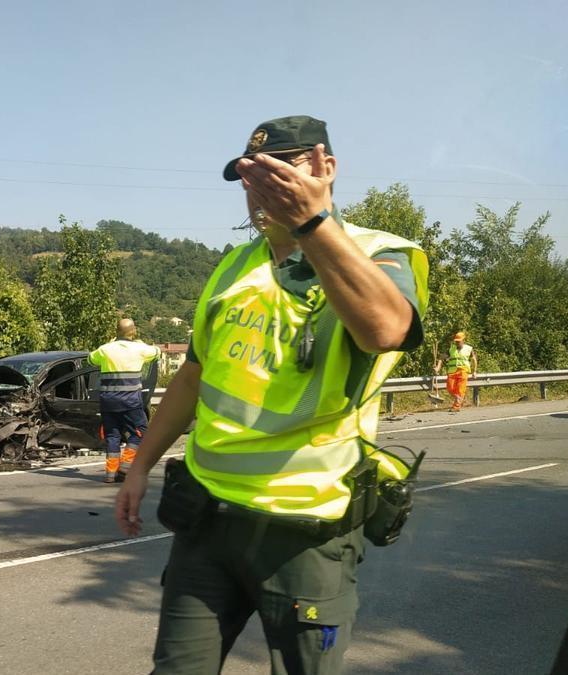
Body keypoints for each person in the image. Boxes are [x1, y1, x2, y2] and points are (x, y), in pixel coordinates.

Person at [114, 115, 429, 674]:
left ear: (327, 168)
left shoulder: (378, 254)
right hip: (207, 523)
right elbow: (193, 376)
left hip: (305, 533)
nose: (262, 188)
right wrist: (140, 465)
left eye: (282, 168)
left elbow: (384, 329)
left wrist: (313, 223)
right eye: (250, 177)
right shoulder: (234, 266)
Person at [88, 319, 161, 483]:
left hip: (108, 402)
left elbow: (90, 360)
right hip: (131, 402)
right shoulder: (140, 348)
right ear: (133, 331)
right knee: (140, 433)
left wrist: (109, 344)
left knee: (112, 436)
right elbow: (157, 352)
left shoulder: (105, 350)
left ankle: (110, 474)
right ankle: (126, 466)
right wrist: (142, 342)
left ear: (116, 331)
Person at [435, 331, 476, 412]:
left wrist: (474, 371)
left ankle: (456, 407)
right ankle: (459, 399)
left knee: (460, 390)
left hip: (463, 371)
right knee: (450, 388)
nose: (457, 342)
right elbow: (441, 357)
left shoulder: (469, 349)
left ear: (463, 340)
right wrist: (437, 368)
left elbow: (474, 360)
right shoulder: (451, 349)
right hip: (452, 371)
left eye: (458, 341)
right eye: (456, 341)